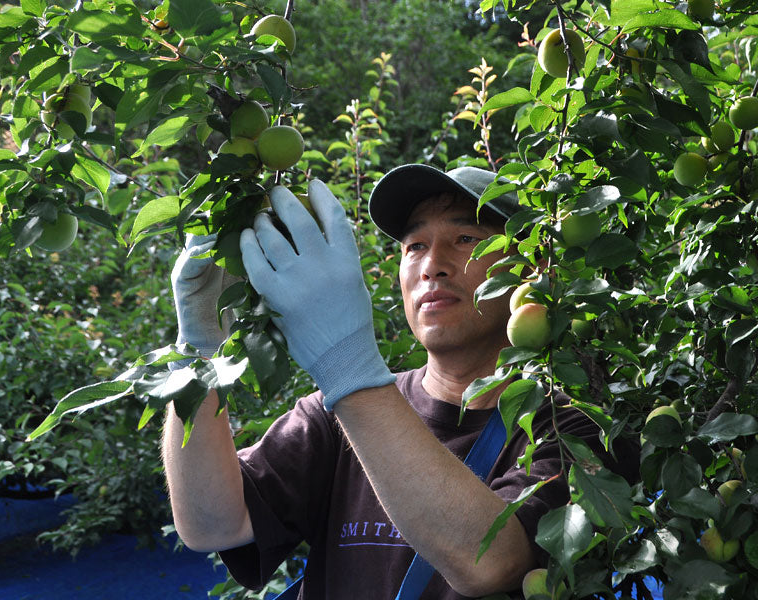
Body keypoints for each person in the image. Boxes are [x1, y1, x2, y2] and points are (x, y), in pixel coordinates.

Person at [162, 165, 637, 599]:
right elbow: (212, 524)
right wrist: (197, 356)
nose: (433, 263)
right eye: (415, 246)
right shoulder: (331, 418)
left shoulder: (573, 432)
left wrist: (347, 365)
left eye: (467, 238)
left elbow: (490, 561)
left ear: (529, 271)